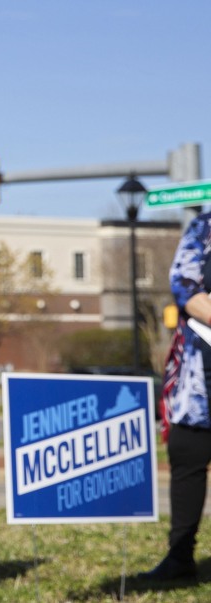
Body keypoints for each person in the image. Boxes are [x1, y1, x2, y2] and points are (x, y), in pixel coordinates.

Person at [144, 207, 211, 582]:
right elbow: (184, 284)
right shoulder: (205, 226)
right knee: (187, 453)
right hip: (198, 374)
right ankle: (180, 556)